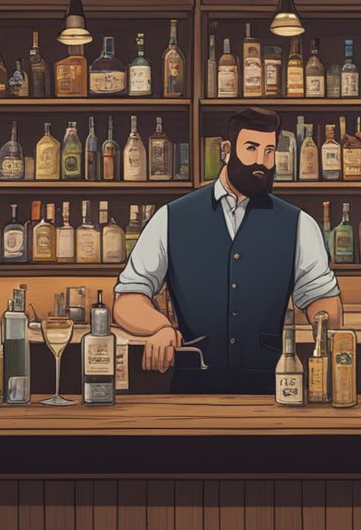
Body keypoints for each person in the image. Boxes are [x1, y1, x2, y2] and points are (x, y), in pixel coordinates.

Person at [113, 107, 342, 393]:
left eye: (269, 151)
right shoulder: (171, 218)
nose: (261, 161)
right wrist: (159, 327)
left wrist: (322, 317)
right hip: (193, 389)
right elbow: (128, 298)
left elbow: (324, 304)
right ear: (226, 150)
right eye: (251, 148)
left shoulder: (299, 224)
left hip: (271, 391)